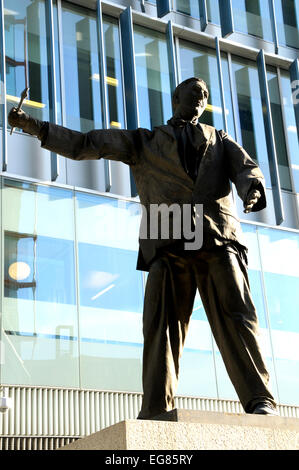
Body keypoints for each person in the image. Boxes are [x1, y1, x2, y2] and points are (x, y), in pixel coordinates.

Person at [8, 77, 278, 418]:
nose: (201, 97)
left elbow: (247, 168)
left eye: (205, 94)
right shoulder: (144, 141)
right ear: (176, 96)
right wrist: (34, 126)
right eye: (194, 91)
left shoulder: (220, 139)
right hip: (167, 236)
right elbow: (87, 143)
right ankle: (155, 408)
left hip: (217, 235)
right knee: (161, 324)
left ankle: (259, 400)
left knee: (238, 314)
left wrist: (251, 189)